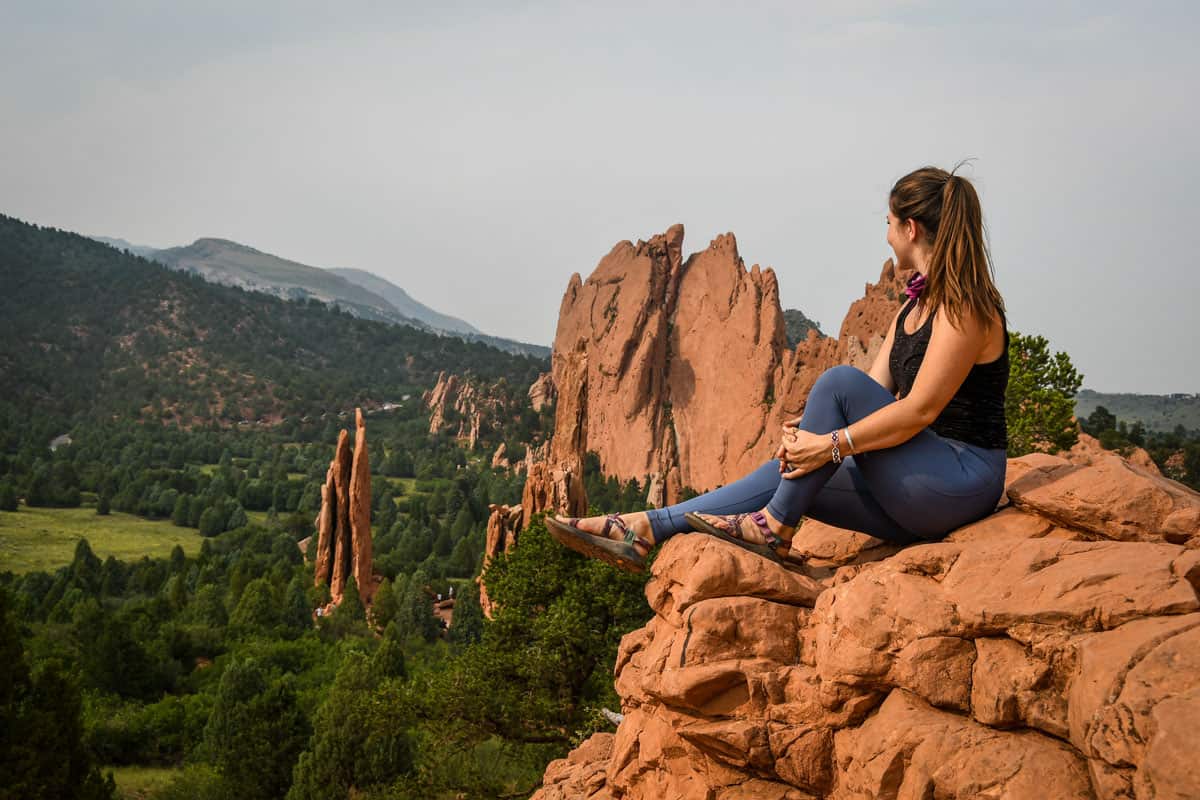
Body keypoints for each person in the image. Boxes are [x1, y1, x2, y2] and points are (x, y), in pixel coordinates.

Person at [547, 164, 1009, 573]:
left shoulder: (965, 307)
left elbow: (918, 411)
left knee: (837, 382)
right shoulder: (912, 312)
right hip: (915, 488)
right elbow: (872, 395)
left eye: (888, 224)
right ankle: (646, 526)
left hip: (958, 481)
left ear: (910, 228)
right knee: (788, 474)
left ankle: (772, 529)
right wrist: (812, 436)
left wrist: (829, 443)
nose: (885, 234)